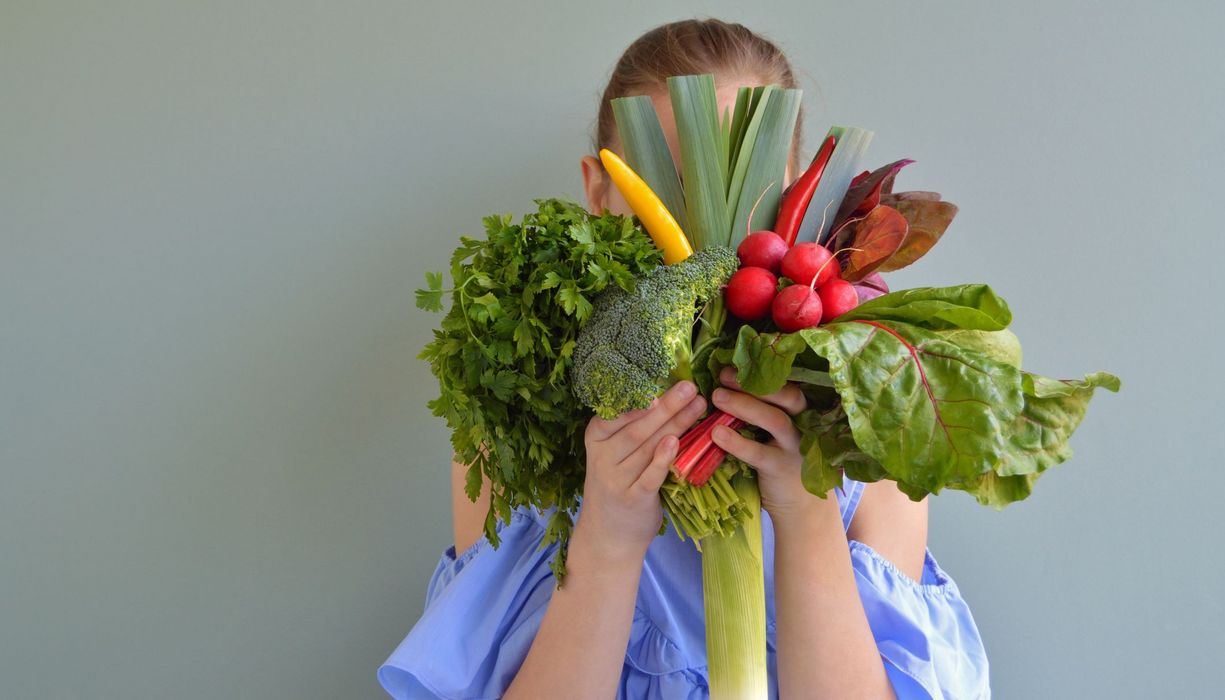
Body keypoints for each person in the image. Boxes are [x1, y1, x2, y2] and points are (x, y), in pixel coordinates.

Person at [379, 19, 990, 700]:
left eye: (744, 180)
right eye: (666, 179)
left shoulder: (868, 406)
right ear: (599, 187)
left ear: (797, 191)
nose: (704, 224)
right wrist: (607, 538)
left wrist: (806, 514)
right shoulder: (512, 413)